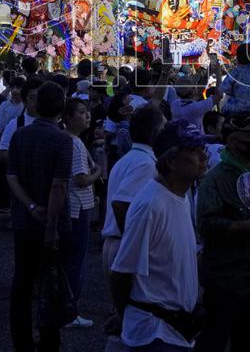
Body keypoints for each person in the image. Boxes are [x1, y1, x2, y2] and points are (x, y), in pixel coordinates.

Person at [111, 122, 209, 350]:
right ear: (171, 161)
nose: (204, 156)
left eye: (202, 148)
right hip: (156, 334)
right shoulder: (150, 205)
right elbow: (121, 273)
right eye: (194, 151)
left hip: (177, 329)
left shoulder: (181, 195)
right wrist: (124, 316)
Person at [196, 114, 250, 352]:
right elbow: (206, 225)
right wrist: (243, 226)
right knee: (214, 341)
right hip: (225, 279)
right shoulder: (215, 179)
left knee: (249, 343)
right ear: (234, 141)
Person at [5, 81, 73, 351]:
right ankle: (48, 341)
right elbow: (59, 186)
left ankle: (21, 341)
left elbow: (11, 176)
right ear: (61, 108)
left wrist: (31, 206)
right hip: (53, 223)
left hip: (24, 219)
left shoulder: (20, 135)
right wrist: (51, 227)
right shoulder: (62, 139)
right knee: (50, 283)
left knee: (22, 282)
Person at [101, 104, 166, 286]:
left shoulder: (129, 159)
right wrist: (133, 246)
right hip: (124, 245)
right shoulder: (145, 164)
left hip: (117, 244)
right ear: (154, 132)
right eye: (163, 128)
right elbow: (121, 205)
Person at [63, 97, 101, 329]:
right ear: (68, 118)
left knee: (70, 259)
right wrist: (98, 173)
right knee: (76, 261)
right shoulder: (75, 144)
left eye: (87, 111)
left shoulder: (67, 139)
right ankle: (69, 311)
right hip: (78, 206)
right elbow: (80, 179)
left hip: (71, 205)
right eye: (81, 112)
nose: (87, 116)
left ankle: (65, 308)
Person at [0, 77, 43, 162]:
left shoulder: (51, 122)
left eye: (40, 97)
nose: (37, 101)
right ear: (24, 101)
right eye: (32, 98)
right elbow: (2, 152)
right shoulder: (15, 124)